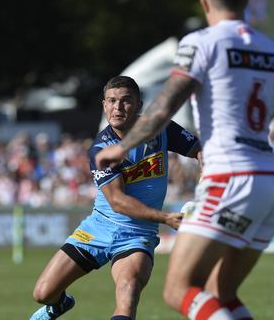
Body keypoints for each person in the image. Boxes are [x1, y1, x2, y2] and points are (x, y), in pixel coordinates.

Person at [96, 0, 274, 320]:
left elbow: (162, 107)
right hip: (271, 184)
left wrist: (121, 147)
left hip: (229, 178)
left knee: (179, 289)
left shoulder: (200, 43)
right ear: (246, 0)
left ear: (205, 3)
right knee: (222, 293)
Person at [29, 76, 200, 320]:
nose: (117, 108)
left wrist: (205, 189)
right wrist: (165, 218)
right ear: (104, 105)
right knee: (43, 293)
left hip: (138, 235)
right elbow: (117, 201)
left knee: (127, 293)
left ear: (139, 105)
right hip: (98, 229)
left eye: (125, 101)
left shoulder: (161, 128)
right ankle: (59, 305)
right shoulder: (101, 148)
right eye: (112, 101)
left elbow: (200, 150)